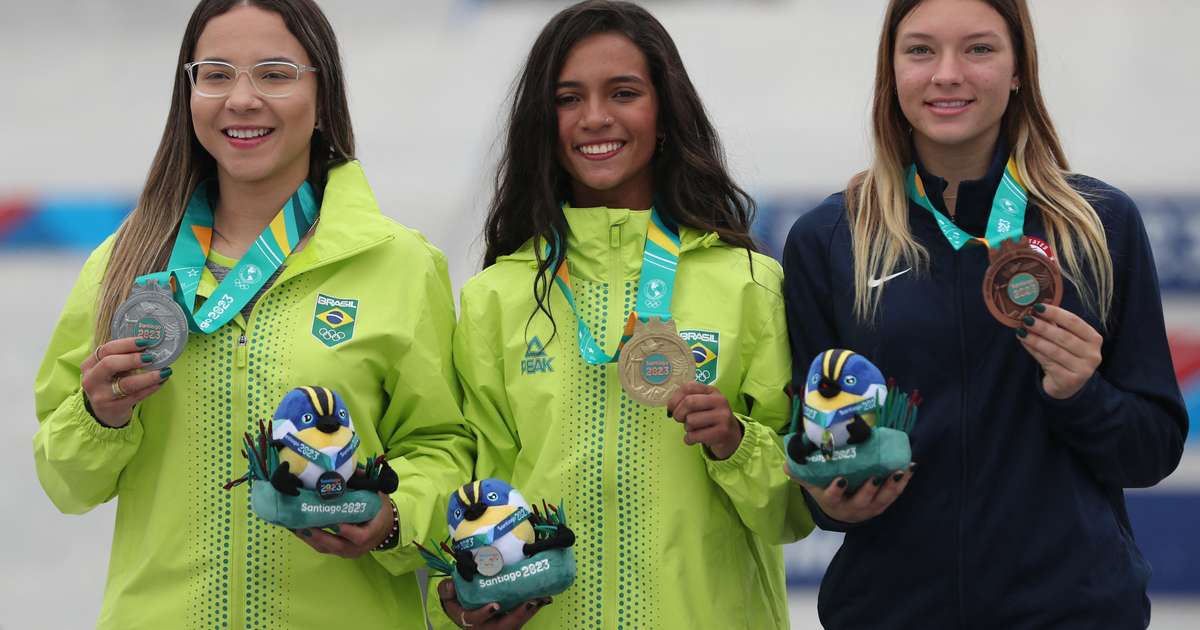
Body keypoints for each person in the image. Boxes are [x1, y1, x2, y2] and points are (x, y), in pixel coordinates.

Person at [32, 1, 472, 628]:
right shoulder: (124, 264)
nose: (241, 98)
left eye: (274, 73)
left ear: (323, 95)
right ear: (189, 95)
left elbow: (445, 448)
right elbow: (63, 482)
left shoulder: (399, 263)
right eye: (215, 74)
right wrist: (100, 416)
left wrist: (393, 516)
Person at [782, 0, 1188, 628]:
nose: (948, 73)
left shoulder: (1099, 225)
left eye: (978, 48)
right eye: (920, 50)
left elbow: (1152, 452)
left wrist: (1081, 393)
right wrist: (837, 501)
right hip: (890, 612)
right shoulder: (831, 238)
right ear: (891, 71)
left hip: (1073, 611)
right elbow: (816, 456)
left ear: (1019, 68)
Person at [430, 2, 814, 628]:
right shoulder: (496, 297)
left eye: (623, 92)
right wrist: (456, 601)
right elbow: (471, 498)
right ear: (543, 122)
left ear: (664, 113)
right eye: (568, 98)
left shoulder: (747, 282)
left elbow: (795, 513)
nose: (596, 118)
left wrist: (736, 443)